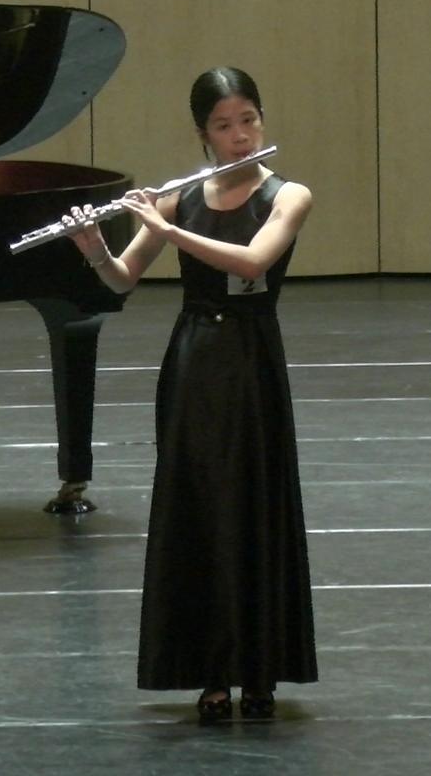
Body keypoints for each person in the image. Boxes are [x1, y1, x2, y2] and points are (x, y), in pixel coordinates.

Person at [66, 67, 318, 722]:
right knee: (201, 511)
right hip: (195, 361)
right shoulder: (180, 200)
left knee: (255, 506)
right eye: (224, 126)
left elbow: (253, 262)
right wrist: (94, 246)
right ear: (203, 134)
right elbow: (122, 280)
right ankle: (211, 673)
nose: (241, 136)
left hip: (253, 361)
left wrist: (166, 227)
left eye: (248, 120)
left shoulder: (289, 195)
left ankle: (260, 672)